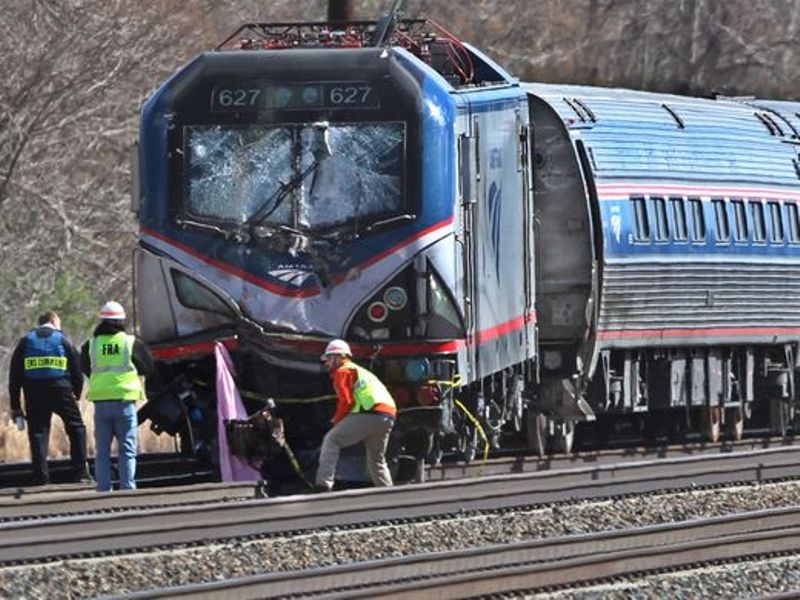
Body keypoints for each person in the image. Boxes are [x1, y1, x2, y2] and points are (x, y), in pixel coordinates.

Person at [8, 311, 90, 485]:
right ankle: (81, 473)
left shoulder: (26, 341)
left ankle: (41, 478)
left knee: (38, 433)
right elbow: (77, 370)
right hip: (61, 390)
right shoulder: (62, 339)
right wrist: (76, 394)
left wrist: (15, 406)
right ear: (53, 321)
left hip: (34, 392)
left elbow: (14, 376)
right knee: (76, 428)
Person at [80, 301, 153, 492]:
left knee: (102, 451)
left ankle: (103, 489)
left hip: (101, 404)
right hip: (125, 402)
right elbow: (148, 367)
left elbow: (85, 367)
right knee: (127, 449)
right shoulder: (130, 343)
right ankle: (128, 488)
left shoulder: (91, 345)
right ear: (121, 321)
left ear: (102, 321)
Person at [314, 339, 396, 492]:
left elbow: (346, 401)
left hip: (370, 412)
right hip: (388, 415)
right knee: (376, 459)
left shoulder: (342, 371)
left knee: (332, 440)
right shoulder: (359, 370)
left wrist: (336, 420)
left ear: (339, 357)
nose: (326, 362)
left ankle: (323, 485)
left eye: (329, 358)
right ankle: (389, 493)